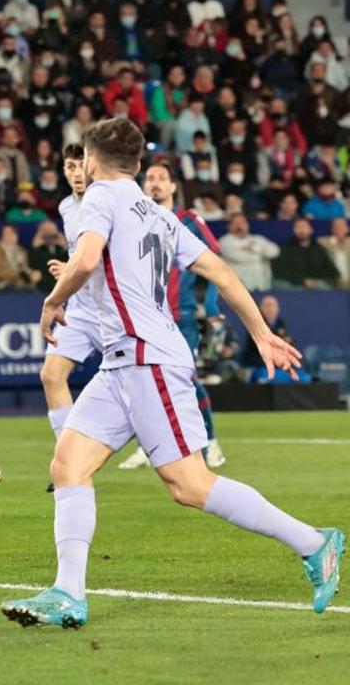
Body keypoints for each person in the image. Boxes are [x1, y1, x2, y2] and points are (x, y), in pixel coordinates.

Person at [1, 117, 343, 628]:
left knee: (190, 485)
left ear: (92, 161)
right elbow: (221, 273)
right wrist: (260, 332)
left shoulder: (101, 196)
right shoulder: (160, 215)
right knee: (68, 465)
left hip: (147, 358)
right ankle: (68, 593)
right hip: (123, 362)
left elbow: (88, 259)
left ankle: (315, 543)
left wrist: (53, 301)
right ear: (139, 164)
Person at [120, 163, 226, 470]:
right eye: (150, 178)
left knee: (187, 379)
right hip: (142, 316)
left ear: (173, 187)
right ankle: (147, 446)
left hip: (181, 315)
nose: (154, 183)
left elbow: (215, 260)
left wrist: (213, 305)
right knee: (140, 382)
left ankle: (209, 441)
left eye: (161, 179)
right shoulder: (133, 220)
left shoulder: (189, 221)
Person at [38, 144, 101, 492]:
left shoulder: (106, 201)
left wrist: (70, 271)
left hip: (111, 310)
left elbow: (109, 258)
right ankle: (69, 460)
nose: (76, 173)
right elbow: (78, 256)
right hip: (79, 306)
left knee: (139, 384)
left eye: (81, 166)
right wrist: (65, 287)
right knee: (51, 374)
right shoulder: (65, 206)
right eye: (69, 167)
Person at [219, 214, 281, 291]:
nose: (239, 226)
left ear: (247, 225)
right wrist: (261, 253)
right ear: (229, 226)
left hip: (263, 286)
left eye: (242, 223)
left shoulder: (258, 238)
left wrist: (251, 249)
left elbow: (275, 252)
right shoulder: (225, 241)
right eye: (235, 223)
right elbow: (238, 257)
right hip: (239, 289)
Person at [272, 217, 339, 289]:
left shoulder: (319, 249)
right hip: (295, 284)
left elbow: (331, 270)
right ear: (294, 231)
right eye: (297, 227)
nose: (301, 230)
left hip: (316, 284)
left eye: (304, 227)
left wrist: (315, 280)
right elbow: (280, 272)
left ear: (311, 230)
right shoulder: (286, 249)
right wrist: (302, 281)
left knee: (324, 286)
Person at [318, 217, 350, 289]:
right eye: (336, 227)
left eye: (342, 226)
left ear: (348, 229)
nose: (339, 229)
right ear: (332, 229)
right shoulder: (324, 243)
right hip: (332, 283)